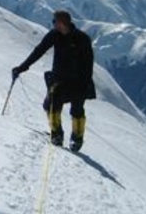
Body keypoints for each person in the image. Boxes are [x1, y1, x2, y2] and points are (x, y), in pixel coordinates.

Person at [12, 10, 95, 150]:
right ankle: (57, 134)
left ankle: (77, 139)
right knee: (51, 106)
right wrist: (22, 67)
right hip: (59, 79)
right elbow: (39, 50)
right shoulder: (54, 35)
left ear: (62, 23)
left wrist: (85, 83)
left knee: (77, 110)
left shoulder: (82, 39)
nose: (53, 24)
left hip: (78, 81)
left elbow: (88, 63)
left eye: (54, 21)